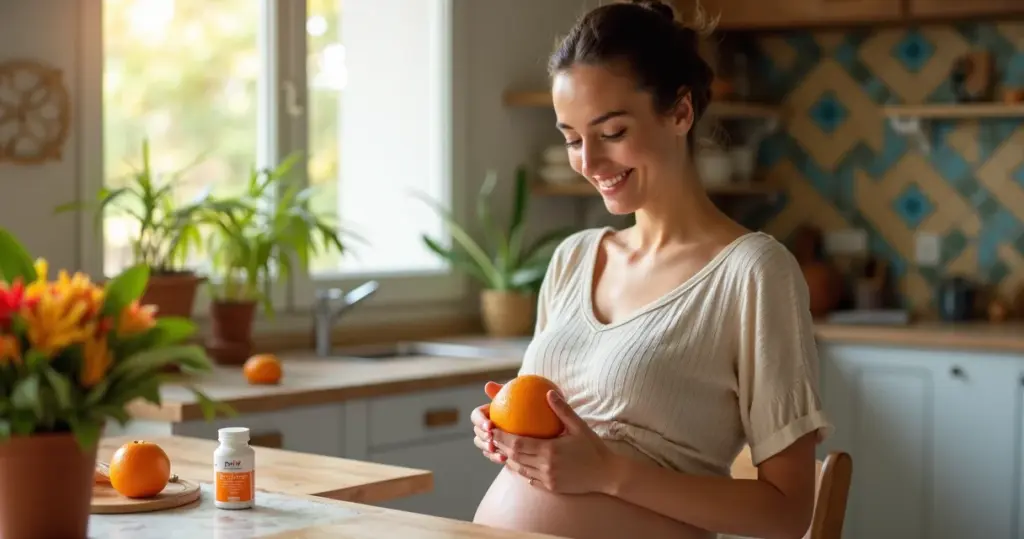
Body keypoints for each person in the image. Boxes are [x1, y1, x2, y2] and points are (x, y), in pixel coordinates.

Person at [470, 2, 833, 539]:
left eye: (612, 132)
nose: (589, 162)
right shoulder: (574, 258)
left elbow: (787, 513)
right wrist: (509, 432)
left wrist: (609, 473)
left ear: (680, 112)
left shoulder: (753, 272)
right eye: (572, 139)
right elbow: (559, 448)